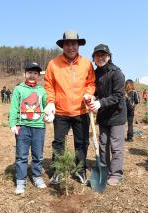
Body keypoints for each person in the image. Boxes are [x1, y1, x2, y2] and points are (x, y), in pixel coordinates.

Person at [44, 31, 96, 184]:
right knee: (59, 142)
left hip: (80, 111)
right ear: (63, 46)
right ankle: (59, 170)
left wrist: (88, 94)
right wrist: (51, 102)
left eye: (74, 43)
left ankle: (80, 170)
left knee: (82, 142)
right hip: (60, 111)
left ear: (78, 45)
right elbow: (48, 85)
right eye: (67, 44)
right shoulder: (53, 64)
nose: (71, 47)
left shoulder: (86, 63)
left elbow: (91, 83)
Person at [87, 43, 126, 186]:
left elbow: (118, 95)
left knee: (116, 146)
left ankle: (116, 174)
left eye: (103, 55)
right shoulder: (96, 74)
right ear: (94, 58)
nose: (100, 58)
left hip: (116, 115)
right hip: (103, 116)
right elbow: (95, 91)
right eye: (97, 56)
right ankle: (104, 169)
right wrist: (92, 97)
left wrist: (100, 103)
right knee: (103, 144)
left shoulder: (116, 73)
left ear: (108, 57)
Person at [8, 62, 47, 194]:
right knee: (21, 155)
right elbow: (13, 108)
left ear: (39, 76)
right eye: (30, 72)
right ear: (25, 74)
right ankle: (20, 181)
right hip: (22, 127)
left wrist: (49, 114)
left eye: (35, 73)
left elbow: (46, 106)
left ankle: (37, 176)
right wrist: (12, 123)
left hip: (39, 127)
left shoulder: (42, 90)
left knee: (38, 155)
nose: (32, 75)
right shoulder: (19, 89)